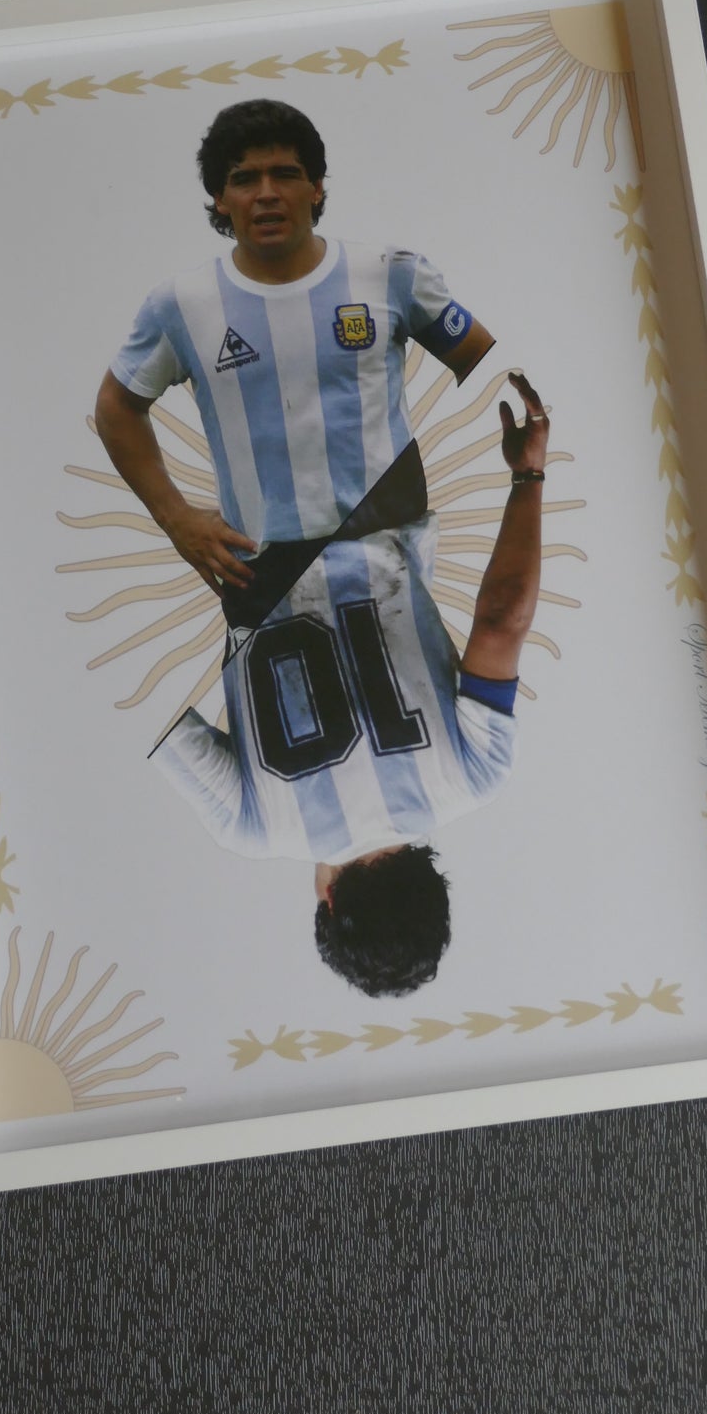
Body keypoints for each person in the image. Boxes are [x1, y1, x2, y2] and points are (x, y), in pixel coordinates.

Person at [151, 372, 551, 998]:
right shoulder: (252, 826)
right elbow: (159, 719)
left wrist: (528, 477)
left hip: (378, 496)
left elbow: (500, 622)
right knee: (236, 357)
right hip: (258, 527)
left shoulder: (477, 775)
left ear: (429, 886)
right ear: (332, 901)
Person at [94, 100, 495, 613]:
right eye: (244, 179)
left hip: (390, 565)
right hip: (266, 583)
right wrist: (177, 520)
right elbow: (117, 407)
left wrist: (521, 481)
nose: (267, 194)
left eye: (285, 174)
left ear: (317, 187)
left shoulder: (389, 273)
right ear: (220, 198)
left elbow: (494, 369)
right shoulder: (181, 305)